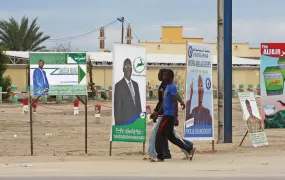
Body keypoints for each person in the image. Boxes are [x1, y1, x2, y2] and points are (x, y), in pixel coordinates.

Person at [143, 69, 189, 160]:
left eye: (160, 75)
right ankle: (187, 149)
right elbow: (162, 101)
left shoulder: (168, 86)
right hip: (163, 114)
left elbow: (174, 98)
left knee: (157, 134)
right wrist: (156, 112)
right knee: (169, 135)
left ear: (165, 76)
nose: (158, 76)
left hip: (166, 114)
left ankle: (153, 154)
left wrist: (176, 115)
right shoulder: (163, 86)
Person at [114, 58, 142, 125]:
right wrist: (118, 126)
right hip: (125, 123)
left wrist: (140, 121)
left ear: (132, 69)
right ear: (123, 69)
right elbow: (117, 108)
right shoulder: (118, 85)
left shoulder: (136, 85)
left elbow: (139, 105)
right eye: (126, 66)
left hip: (136, 123)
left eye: (130, 66)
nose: (128, 68)